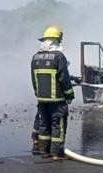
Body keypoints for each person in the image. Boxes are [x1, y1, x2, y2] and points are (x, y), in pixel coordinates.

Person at [30, 26, 75, 160]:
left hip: (42, 99)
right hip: (57, 100)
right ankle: (57, 153)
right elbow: (64, 79)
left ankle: (44, 151)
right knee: (58, 125)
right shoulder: (59, 57)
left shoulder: (35, 57)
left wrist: (38, 94)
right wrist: (69, 95)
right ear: (56, 41)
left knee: (44, 124)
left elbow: (34, 79)